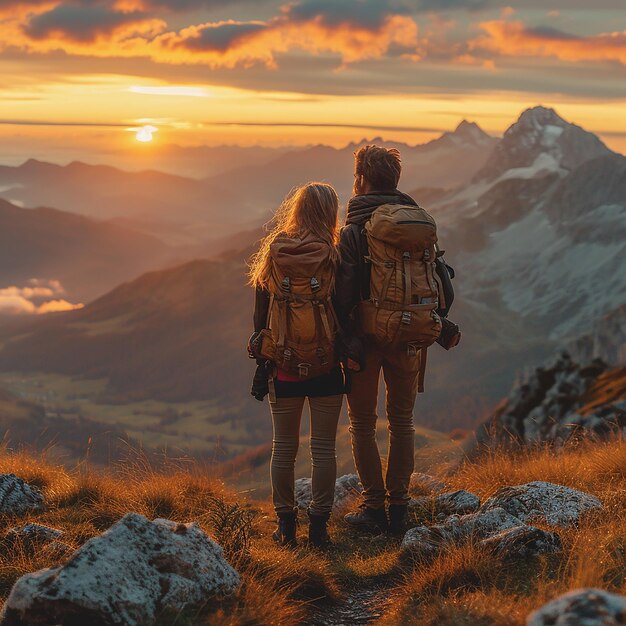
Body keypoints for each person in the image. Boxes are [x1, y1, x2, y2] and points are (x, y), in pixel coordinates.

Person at [335, 145, 438, 536]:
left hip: (367, 339)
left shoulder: (356, 228)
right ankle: (400, 509)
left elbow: (344, 293)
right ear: (395, 179)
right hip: (411, 334)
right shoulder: (418, 223)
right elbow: (440, 280)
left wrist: (346, 341)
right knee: (403, 422)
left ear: (361, 179)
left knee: (362, 423)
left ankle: (374, 508)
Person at [248, 182, 349, 549]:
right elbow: (346, 313)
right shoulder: (335, 256)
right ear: (330, 213)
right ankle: (319, 530)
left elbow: (260, 319)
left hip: (284, 367)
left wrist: (265, 360)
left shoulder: (274, 254)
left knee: (283, 449)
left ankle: (286, 528)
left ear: (297, 210)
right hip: (326, 368)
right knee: (323, 450)